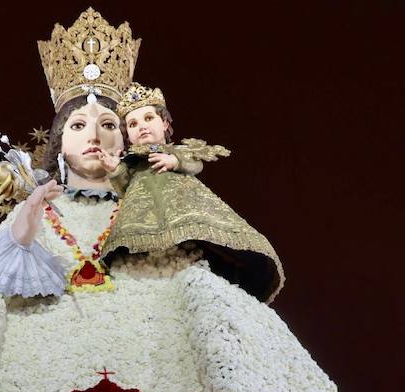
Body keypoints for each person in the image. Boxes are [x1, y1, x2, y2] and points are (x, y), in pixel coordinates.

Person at [100, 81, 283, 302]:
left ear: (165, 123)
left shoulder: (175, 151)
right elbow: (124, 187)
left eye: (149, 118)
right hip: (142, 214)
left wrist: (174, 160)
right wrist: (114, 171)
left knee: (197, 244)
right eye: (133, 124)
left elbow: (195, 163)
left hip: (183, 205)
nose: (142, 127)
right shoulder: (132, 162)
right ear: (127, 134)